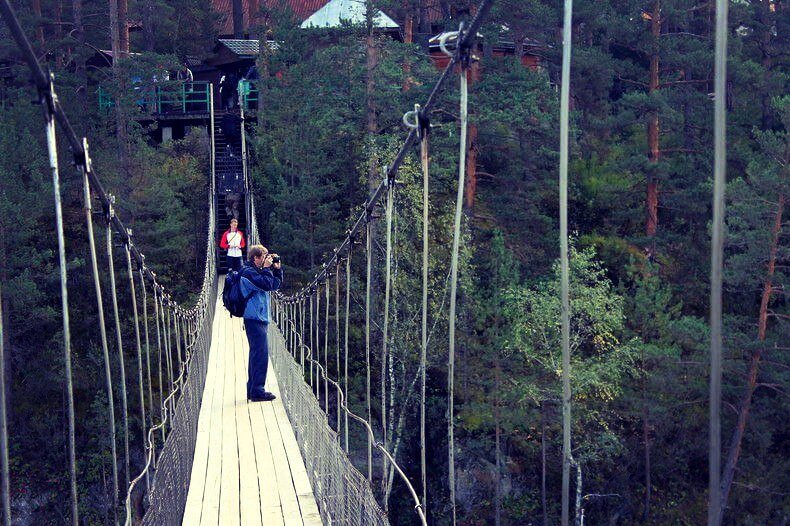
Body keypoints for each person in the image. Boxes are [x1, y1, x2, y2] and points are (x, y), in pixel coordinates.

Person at [239, 245, 283, 402]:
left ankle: (253, 390)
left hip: (260, 317)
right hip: (254, 318)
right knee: (260, 355)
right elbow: (265, 284)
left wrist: (276, 270)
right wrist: (266, 269)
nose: (267, 259)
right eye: (264, 256)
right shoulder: (247, 273)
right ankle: (257, 391)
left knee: (257, 354)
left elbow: (273, 285)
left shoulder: (257, 271)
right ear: (255, 258)